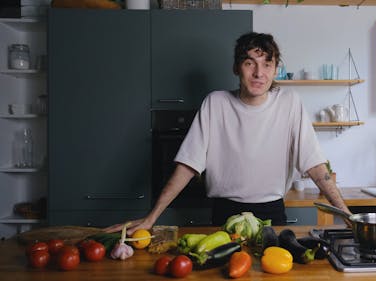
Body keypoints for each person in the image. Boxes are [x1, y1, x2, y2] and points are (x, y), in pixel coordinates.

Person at [105, 32, 351, 234]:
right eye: (249, 63)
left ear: (276, 69)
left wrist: (348, 216)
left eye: (267, 64)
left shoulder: (290, 103)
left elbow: (316, 166)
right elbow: (188, 165)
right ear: (237, 68)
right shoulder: (216, 103)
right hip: (224, 215)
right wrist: (151, 217)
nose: (259, 73)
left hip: (272, 214)